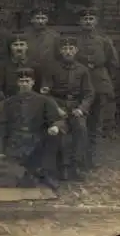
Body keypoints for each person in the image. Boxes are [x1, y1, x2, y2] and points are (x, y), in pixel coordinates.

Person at [0, 68, 64, 189]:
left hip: (37, 141)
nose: (24, 84)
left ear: (33, 83)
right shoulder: (9, 102)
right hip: (16, 142)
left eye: (27, 81)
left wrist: (55, 127)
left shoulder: (44, 100)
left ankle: (47, 174)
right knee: (12, 176)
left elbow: (58, 120)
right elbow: (1, 125)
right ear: (17, 83)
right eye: (21, 81)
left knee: (52, 139)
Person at [40, 36, 94, 180]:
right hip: (58, 106)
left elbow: (89, 93)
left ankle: (75, 166)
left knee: (81, 129)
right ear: (60, 51)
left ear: (76, 50)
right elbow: (46, 93)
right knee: (60, 130)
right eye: (65, 49)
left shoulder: (83, 70)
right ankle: (63, 166)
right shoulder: (52, 68)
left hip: (76, 106)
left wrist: (81, 109)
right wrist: (56, 108)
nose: (68, 51)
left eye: (71, 49)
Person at [75, 7, 119, 145]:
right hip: (80, 80)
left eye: (91, 19)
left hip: (99, 80)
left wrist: (109, 80)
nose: (88, 22)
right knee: (81, 113)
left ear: (96, 21)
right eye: (85, 19)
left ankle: (95, 146)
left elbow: (113, 62)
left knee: (98, 114)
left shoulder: (103, 40)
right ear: (80, 22)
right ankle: (81, 144)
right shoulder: (75, 40)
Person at [0, 31, 41, 109]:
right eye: (15, 45)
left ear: (27, 46)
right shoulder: (3, 65)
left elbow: (39, 87)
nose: (19, 48)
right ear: (10, 47)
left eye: (22, 45)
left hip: (31, 103)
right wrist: (5, 103)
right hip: (9, 101)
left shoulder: (34, 65)